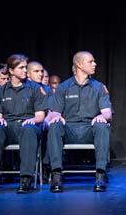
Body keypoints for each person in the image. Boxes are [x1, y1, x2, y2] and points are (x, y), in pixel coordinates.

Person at [46, 51, 112, 193]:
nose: (94, 64)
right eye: (90, 61)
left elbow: (107, 112)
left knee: (102, 125)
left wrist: (102, 116)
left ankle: (100, 174)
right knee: (55, 125)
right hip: (69, 128)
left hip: (90, 128)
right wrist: (57, 116)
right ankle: (56, 174)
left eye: (94, 61)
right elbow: (55, 112)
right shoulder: (63, 87)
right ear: (79, 64)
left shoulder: (99, 87)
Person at [0, 54, 47, 194]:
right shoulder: (0, 91)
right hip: (8, 128)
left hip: (27, 126)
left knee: (29, 129)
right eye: (21, 67)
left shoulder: (34, 89)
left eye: (26, 67)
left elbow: (40, 115)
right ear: (11, 70)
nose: (25, 70)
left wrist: (32, 120)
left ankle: (26, 179)